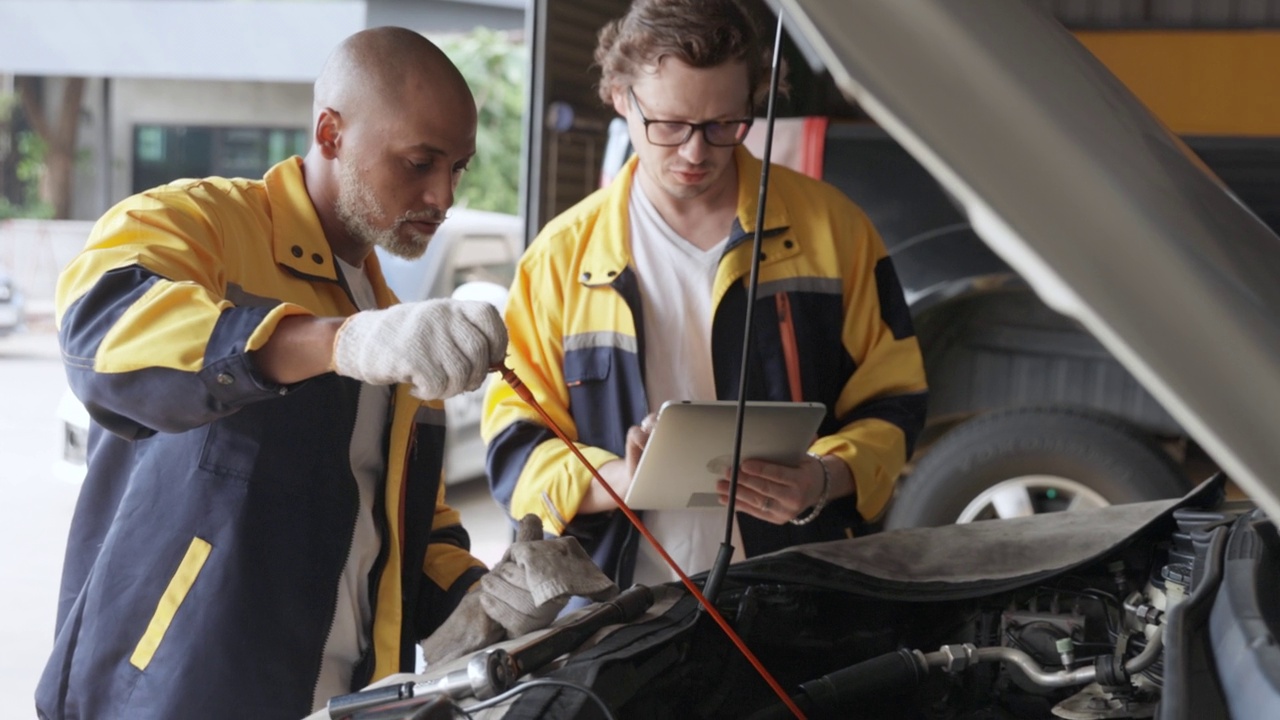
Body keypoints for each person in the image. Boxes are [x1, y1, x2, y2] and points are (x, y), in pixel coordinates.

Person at [36, 27, 613, 720]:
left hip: (348, 701)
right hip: (168, 695)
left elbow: (401, 528)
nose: (443, 194)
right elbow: (102, 331)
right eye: (419, 162)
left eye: (457, 167)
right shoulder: (200, 224)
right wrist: (337, 343)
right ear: (331, 132)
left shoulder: (398, 324)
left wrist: (486, 597)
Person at [482, 0, 928, 588]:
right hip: (620, 609)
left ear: (753, 105)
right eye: (668, 125)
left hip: (798, 595)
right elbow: (516, 441)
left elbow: (895, 401)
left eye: (724, 125)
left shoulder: (835, 231)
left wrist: (822, 477)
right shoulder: (561, 259)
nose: (696, 153)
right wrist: (614, 478)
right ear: (620, 97)